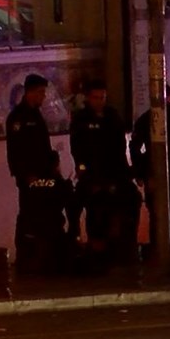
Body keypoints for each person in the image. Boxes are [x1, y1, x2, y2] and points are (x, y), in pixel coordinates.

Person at [70, 80, 133, 269]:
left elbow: (119, 147)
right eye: (96, 98)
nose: (99, 101)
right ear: (88, 98)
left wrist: (121, 175)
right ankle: (95, 250)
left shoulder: (112, 116)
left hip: (113, 174)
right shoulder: (81, 119)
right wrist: (84, 172)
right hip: (92, 176)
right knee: (94, 212)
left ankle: (118, 250)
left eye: (102, 98)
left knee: (120, 209)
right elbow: (78, 149)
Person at [130, 93, 170, 257]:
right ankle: (158, 248)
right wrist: (143, 173)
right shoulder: (146, 119)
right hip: (155, 172)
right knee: (156, 211)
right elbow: (136, 148)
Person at [7, 74, 55, 271]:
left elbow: (44, 146)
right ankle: (25, 257)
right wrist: (25, 174)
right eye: (40, 92)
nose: (43, 96)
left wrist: (53, 164)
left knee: (44, 214)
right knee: (28, 215)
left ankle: (43, 256)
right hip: (29, 177)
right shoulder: (18, 118)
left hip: (44, 174)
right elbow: (16, 150)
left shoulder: (37, 115)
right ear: (30, 92)